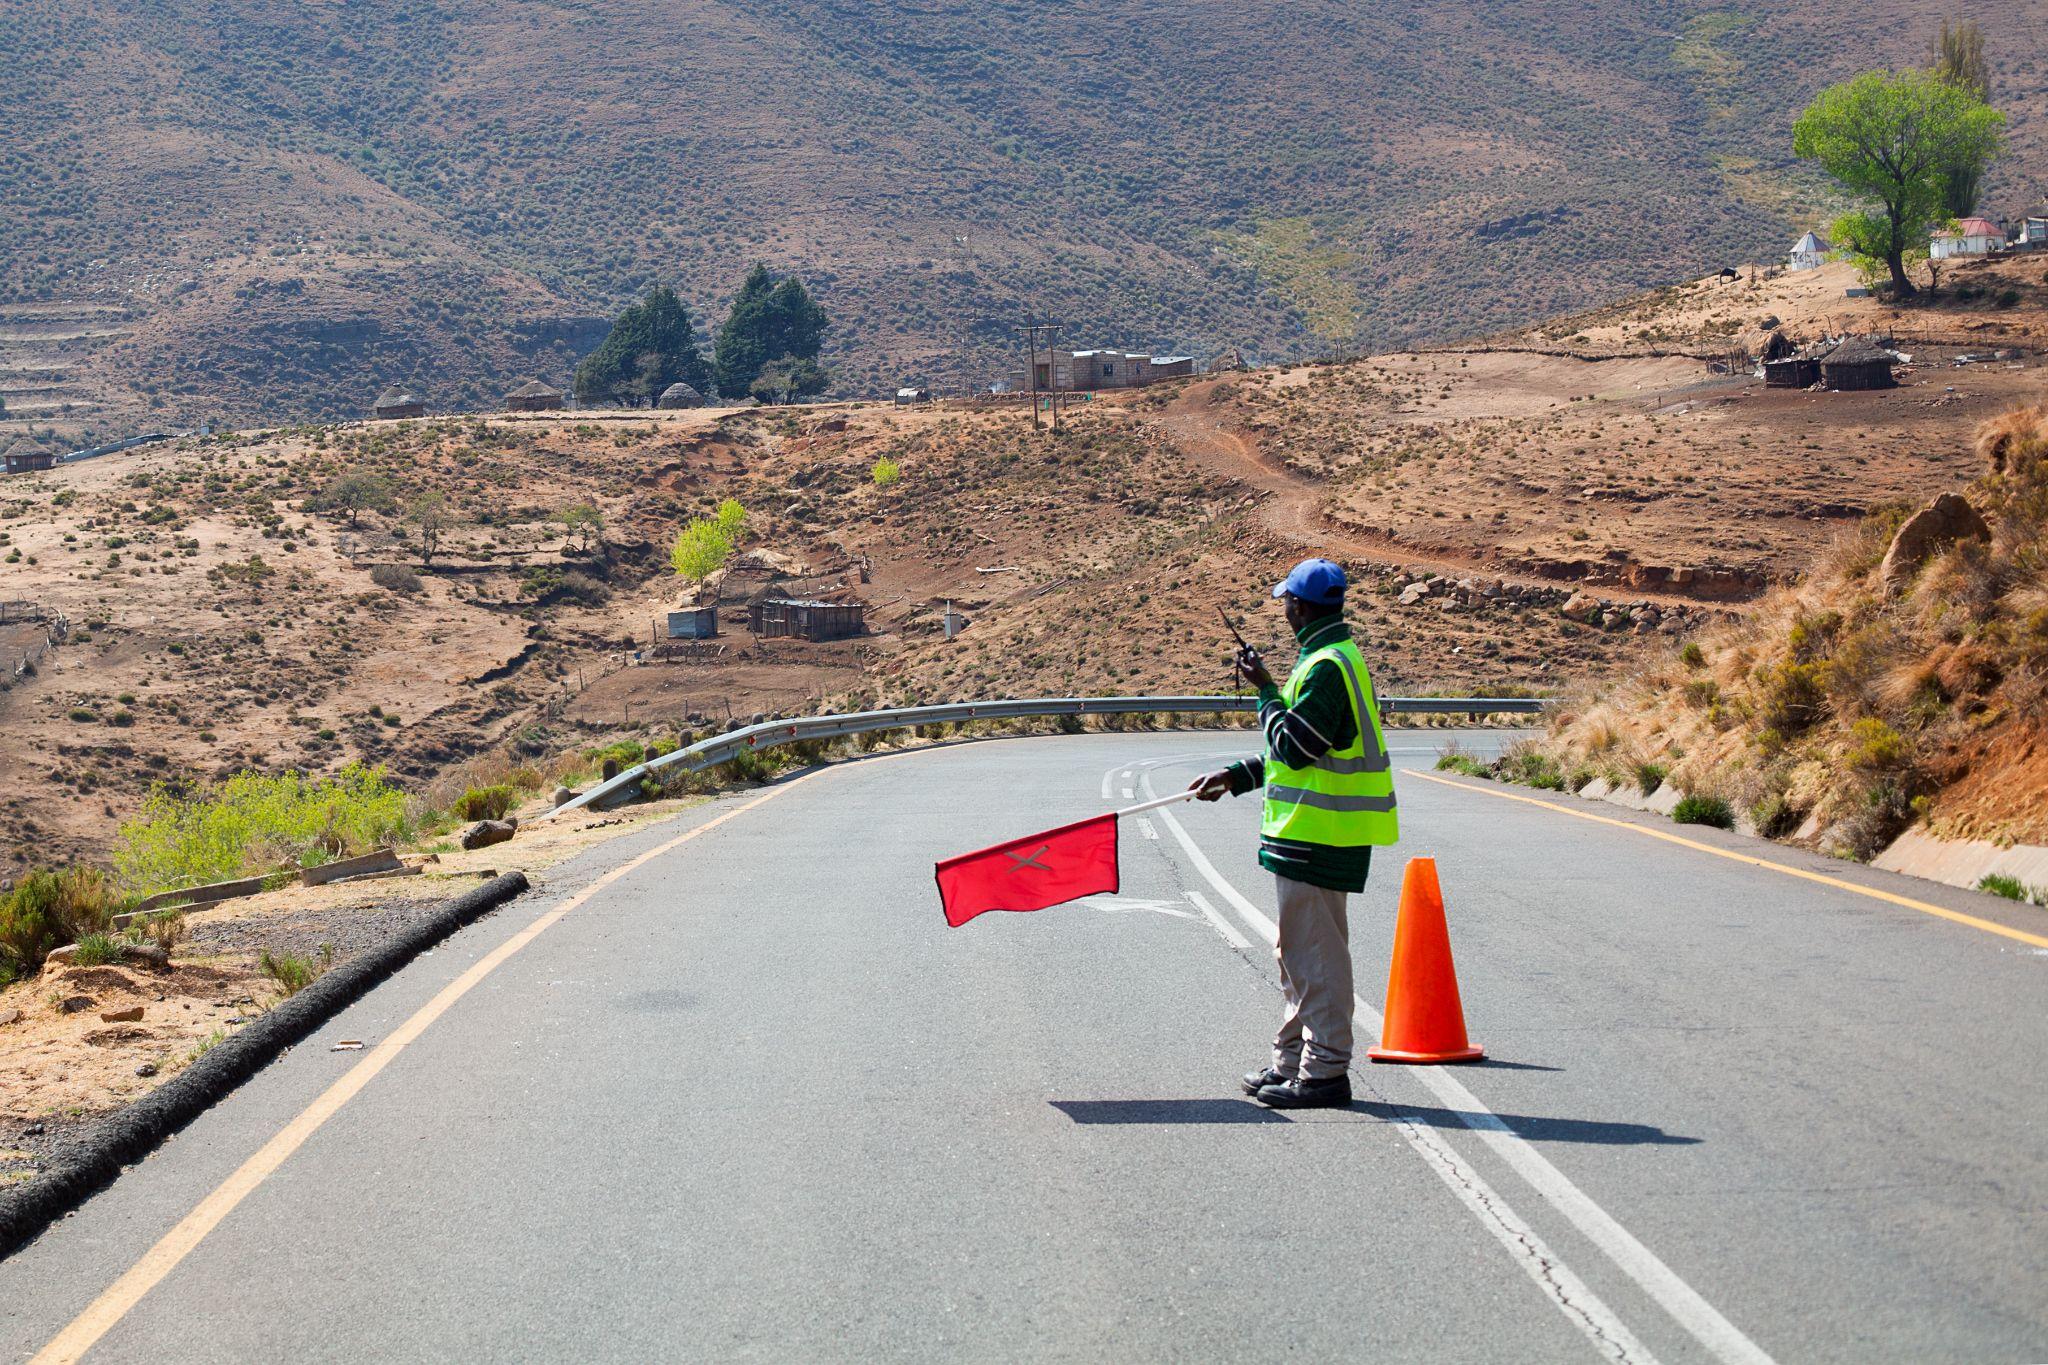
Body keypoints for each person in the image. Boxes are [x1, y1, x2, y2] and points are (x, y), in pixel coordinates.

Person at [1187, 557, 1398, 1109]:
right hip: (1313, 835)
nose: (1283, 609)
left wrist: (1262, 689)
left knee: (1315, 957)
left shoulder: (1327, 666)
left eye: (1286, 601)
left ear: (1299, 608)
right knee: (1299, 954)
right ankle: (1293, 1062)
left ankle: (1326, 1072)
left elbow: (1294, 748)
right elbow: (1295, 752)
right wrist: (1236, 777)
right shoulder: (1327, 661)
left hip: (1318, 836)